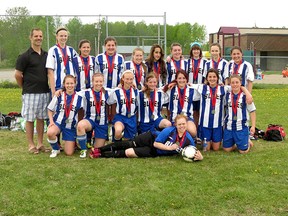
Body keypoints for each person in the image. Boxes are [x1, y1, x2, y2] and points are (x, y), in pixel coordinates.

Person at [90, 114, 203, 161]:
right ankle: (99, 149)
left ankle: (101, 155)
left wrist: (200, 157)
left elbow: (195, 151)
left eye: (184, 124)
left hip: (154, 151)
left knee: (129, 153)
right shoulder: (169, 130)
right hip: (151, 138)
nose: (182, 126)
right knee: (129, 143)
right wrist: (170, 148)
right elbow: (156, 143)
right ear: (175, 125)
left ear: (187, 125)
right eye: (180, 124)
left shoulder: (188, 138)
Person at [15, 28, 50, 154]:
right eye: (36, 36)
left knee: (41, 119)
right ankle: (31, 145)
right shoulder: (24, 56)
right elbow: (18, 75)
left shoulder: (46, 55)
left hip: (44, 92)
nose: (38, 38)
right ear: (31, 38)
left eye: (40, 36)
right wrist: (24, 87)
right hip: (30, 93)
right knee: (30, 119)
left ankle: (40, 143)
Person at [47, 75, 84, 158]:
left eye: (71, 83)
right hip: (58, 122)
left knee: (69, 153)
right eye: (67, 83)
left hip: (70, 126)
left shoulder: (80, 97)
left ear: (75, 84)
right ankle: (56, 149)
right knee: (50, 132)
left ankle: (72, 142)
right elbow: (50, 109)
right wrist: (51, 122)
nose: (69, 85)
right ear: (64, 84)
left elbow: (83, 111)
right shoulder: (59, 95)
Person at [222, 74, 256, 153]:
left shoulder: (246, 96)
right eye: (232, 82)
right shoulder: (226, 96)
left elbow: (252, 111)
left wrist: (253, 126)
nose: (235, 84)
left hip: (241, 127)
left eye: (237, 82)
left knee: (242, 151)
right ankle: (237, 142)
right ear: (230, 84)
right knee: (226, 150)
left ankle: (246, 141)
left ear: (240, 83)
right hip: (229, 127)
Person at [76, 73, 110, 150]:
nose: (99, 83)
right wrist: (61, 90)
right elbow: (73, 93)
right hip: (90, 120)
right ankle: (83, 149)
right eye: (96, 81)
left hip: (102, 122)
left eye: (101, 81)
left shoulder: (108, 92)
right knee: (80, 125)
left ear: (103, 82)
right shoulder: (86, 93)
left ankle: (93, 137)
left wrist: (121, 86)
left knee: (98, 149)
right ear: (92, 82)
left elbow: (120, 90)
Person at [163, 70, 200, 137]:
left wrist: (192, 85)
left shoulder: (192, 90)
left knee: (193, 132)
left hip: (187, 118)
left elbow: (205, 89)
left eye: (184, 78)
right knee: (171, 135)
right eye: (179, 78)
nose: (182, 80)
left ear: (187, 79)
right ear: (176, 79)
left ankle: (188, 139)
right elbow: (158, 90)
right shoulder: (171, 89)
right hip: (175, 118)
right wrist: (169, 84)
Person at [107, 70, 138, 141]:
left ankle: (123, 146)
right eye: (127, 79)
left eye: (131, 79)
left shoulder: (136, 91)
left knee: (128, 142)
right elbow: (109, 102)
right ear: (123, 79)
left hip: (131, 118)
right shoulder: (117, 91)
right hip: (120, 117)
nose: (129, 81)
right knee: (118, 131)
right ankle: (115, 142)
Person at [46, 27, 78, 95]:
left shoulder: (71, 50)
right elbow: (50, 72)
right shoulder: (53, 50)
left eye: (65, 36)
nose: (63, 38)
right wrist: (53, 91)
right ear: (57, 37)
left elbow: (77, 67)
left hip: (71, 87)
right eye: (61, 36)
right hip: (58, 88)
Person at [186, 42, 206, 129]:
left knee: (199, 111)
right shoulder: (187, 61)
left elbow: (206, 75)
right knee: (191, 111)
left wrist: (204, 85)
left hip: (200, 89)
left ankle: (197, 130)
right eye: (194, 49)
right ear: (191, 51)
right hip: (190, 89)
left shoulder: (205, 62)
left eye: (197, 49)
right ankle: (191, 130)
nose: (196, 51)